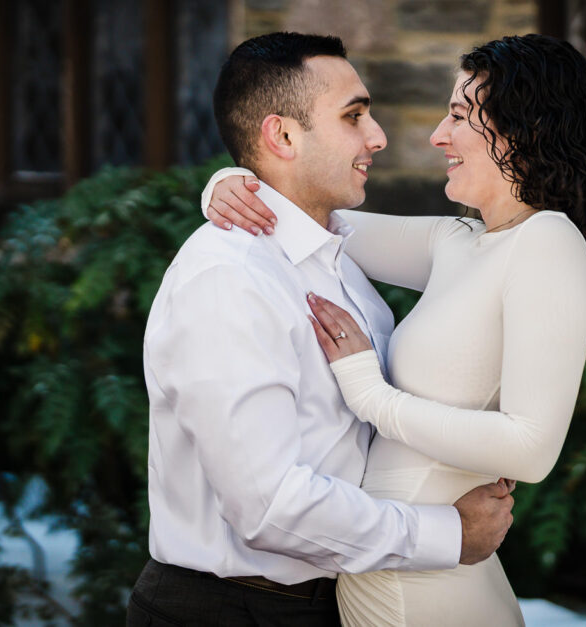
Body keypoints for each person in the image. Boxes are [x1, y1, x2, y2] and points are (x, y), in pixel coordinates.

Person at [202, 33, 586, 626]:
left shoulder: (548, 242)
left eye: (461, 115)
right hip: (400, 560)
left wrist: (370, 394)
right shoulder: (458, 242)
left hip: (428, 589)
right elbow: (307, 215)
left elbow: (532, 448)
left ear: (527, 130)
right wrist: (227, 186)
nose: (439, 135)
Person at [128, 32, 516, 627]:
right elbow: (269, 506)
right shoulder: (230, 278)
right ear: (282, 135)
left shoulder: (335, 255)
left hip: (325, 602)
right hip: (233, 611)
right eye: (354, 116)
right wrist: (447, 535)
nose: (378, 136)